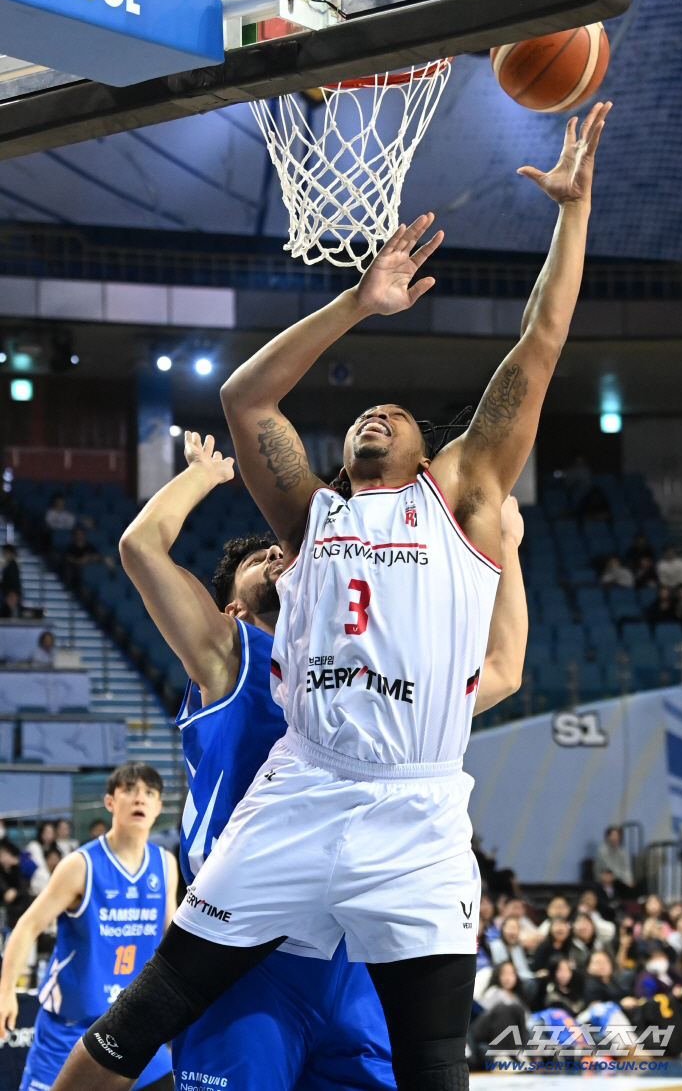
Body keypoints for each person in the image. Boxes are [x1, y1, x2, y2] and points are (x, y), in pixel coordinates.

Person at [55, 100, 611, 1091]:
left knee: (436, 1072)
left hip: (417, 815)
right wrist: (358, 301)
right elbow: (244, 401)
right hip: (302, 794)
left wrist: (570, 213)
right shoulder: (311, 520)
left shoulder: (467, 495)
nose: (372, 420)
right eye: (358, 417)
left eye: (390, 415)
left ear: (429, 451)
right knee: (141, 1019)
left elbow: (540, 341)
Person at [117, 431, 529, 1091]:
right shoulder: (233, 653)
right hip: (247, 951)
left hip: (352, 951)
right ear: (233, 607)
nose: (280, 551)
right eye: (260, 561)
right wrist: (200, 474)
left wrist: (503, 541)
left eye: (285, 548)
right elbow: (140, 545)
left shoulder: (371, 677)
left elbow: (502, 669)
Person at [0, 762, 178, 1091]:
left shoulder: (166, 865)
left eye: (149, 793)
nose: (140, 799)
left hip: (133, 1024)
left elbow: (175, 940)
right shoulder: (80, 866)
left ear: (158, 807)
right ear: (110, 802)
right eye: (130, 791)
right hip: (71, 1028)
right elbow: (26, 927)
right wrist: (5, 993)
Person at [0, 839, 32, 928]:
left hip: (19, 904)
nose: (4, 858)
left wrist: (16, 892)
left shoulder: (16, 870)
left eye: (7, 854)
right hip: (4, 906)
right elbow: (7, 895)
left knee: (30, 899)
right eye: (2, 855)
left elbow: (22, 889)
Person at [594, 826, 633, 890]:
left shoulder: (622, 851)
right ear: (608, 836)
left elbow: (626, 868)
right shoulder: (602, 851)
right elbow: (608, 868)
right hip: (605, 877)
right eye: (613, 835)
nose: (615, 838)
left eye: (617, 835)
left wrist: (629, 879)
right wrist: (621, 878)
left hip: (620, 878)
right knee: (608, 878)